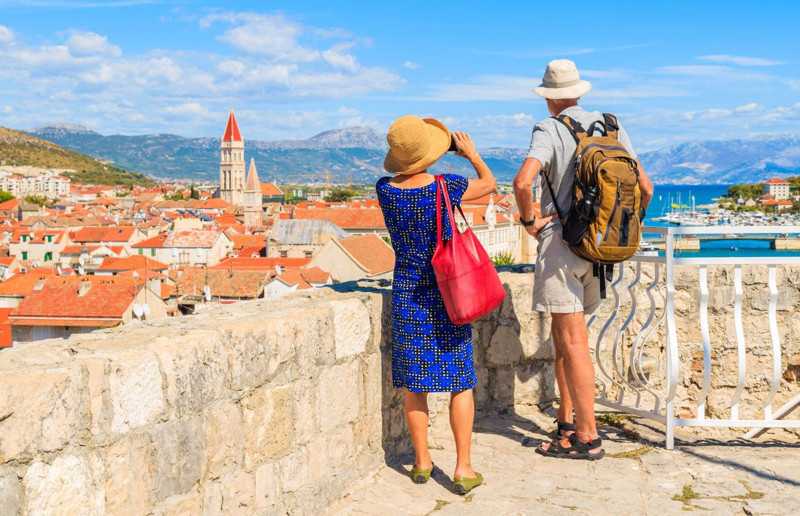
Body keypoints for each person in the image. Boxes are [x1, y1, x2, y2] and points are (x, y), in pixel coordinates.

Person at [513, 60, 654, 460]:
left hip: (562, 245)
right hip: (600, 249)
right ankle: (567, 421)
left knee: (573, 342)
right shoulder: (611, 126)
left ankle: (587, 438)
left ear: (548, 98)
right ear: (578, 92)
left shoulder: (549, 128)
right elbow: (645, 187)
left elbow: (522, 181)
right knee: (566, 339)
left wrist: (530, 221)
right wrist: (622, 227)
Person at [376, 115, 496, 494]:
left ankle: (422, 462)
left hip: (408, 295)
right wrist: (471, 154)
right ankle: (463, 468)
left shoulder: (385, 190)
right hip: (449, 293)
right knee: (460, 383)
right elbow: (490, 184)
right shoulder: (447, 186)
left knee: (415, 386)